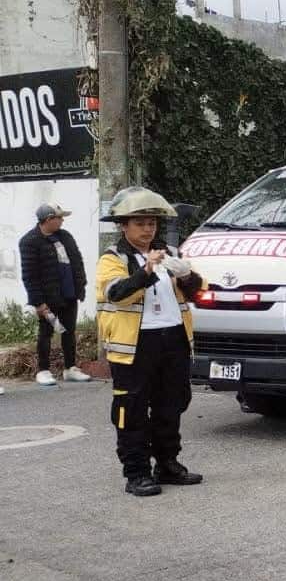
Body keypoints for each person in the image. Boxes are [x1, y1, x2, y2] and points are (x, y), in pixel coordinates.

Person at [96, 187, 206, 497]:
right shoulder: (113, 258)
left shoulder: (170, 253)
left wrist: (185, 274)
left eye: (152, 223)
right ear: (124, 226)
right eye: (140, 223)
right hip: (135, 345)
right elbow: (116, 293)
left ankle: (168, 463)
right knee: (131, 409)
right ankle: (137, 473)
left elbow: (197, 291)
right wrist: (146, 270)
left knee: (171, 404)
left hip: (173, 337)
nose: (148, 229)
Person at [18, 202, 90, 386]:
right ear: (49, 219)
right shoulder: (29, 241)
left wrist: (81, 285)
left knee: (69, 331)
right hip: (48, 299)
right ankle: (43, 370)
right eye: (59, 217)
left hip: (69, 293)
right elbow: (29, 275)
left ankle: (70, 368)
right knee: (46, 332)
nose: (62, 220)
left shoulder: (65, 236)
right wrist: (38, 302)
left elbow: (77, 261)